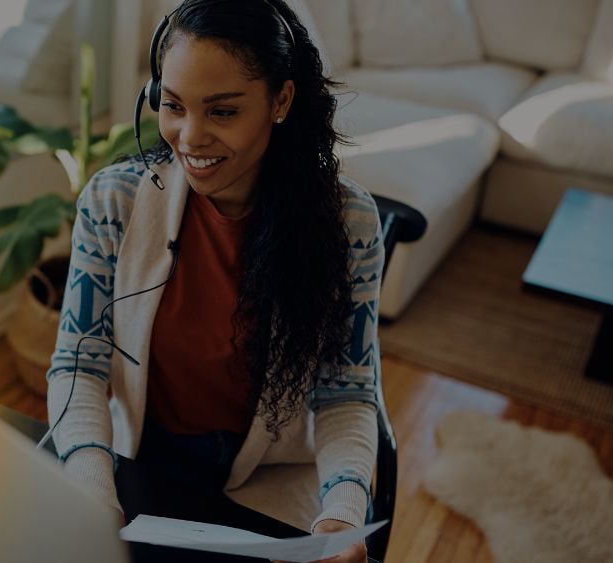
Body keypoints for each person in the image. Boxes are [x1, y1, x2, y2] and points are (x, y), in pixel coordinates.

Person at [45, 1, 382, 561]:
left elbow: (346, 393)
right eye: (173, 106)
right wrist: (90, 483)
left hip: (269, 479)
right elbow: (79, 363)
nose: (190, 137)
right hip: (140, 458)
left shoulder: (350, 226)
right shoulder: (114, 202)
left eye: (222, 112)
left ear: (281, 100)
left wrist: (342, 513)